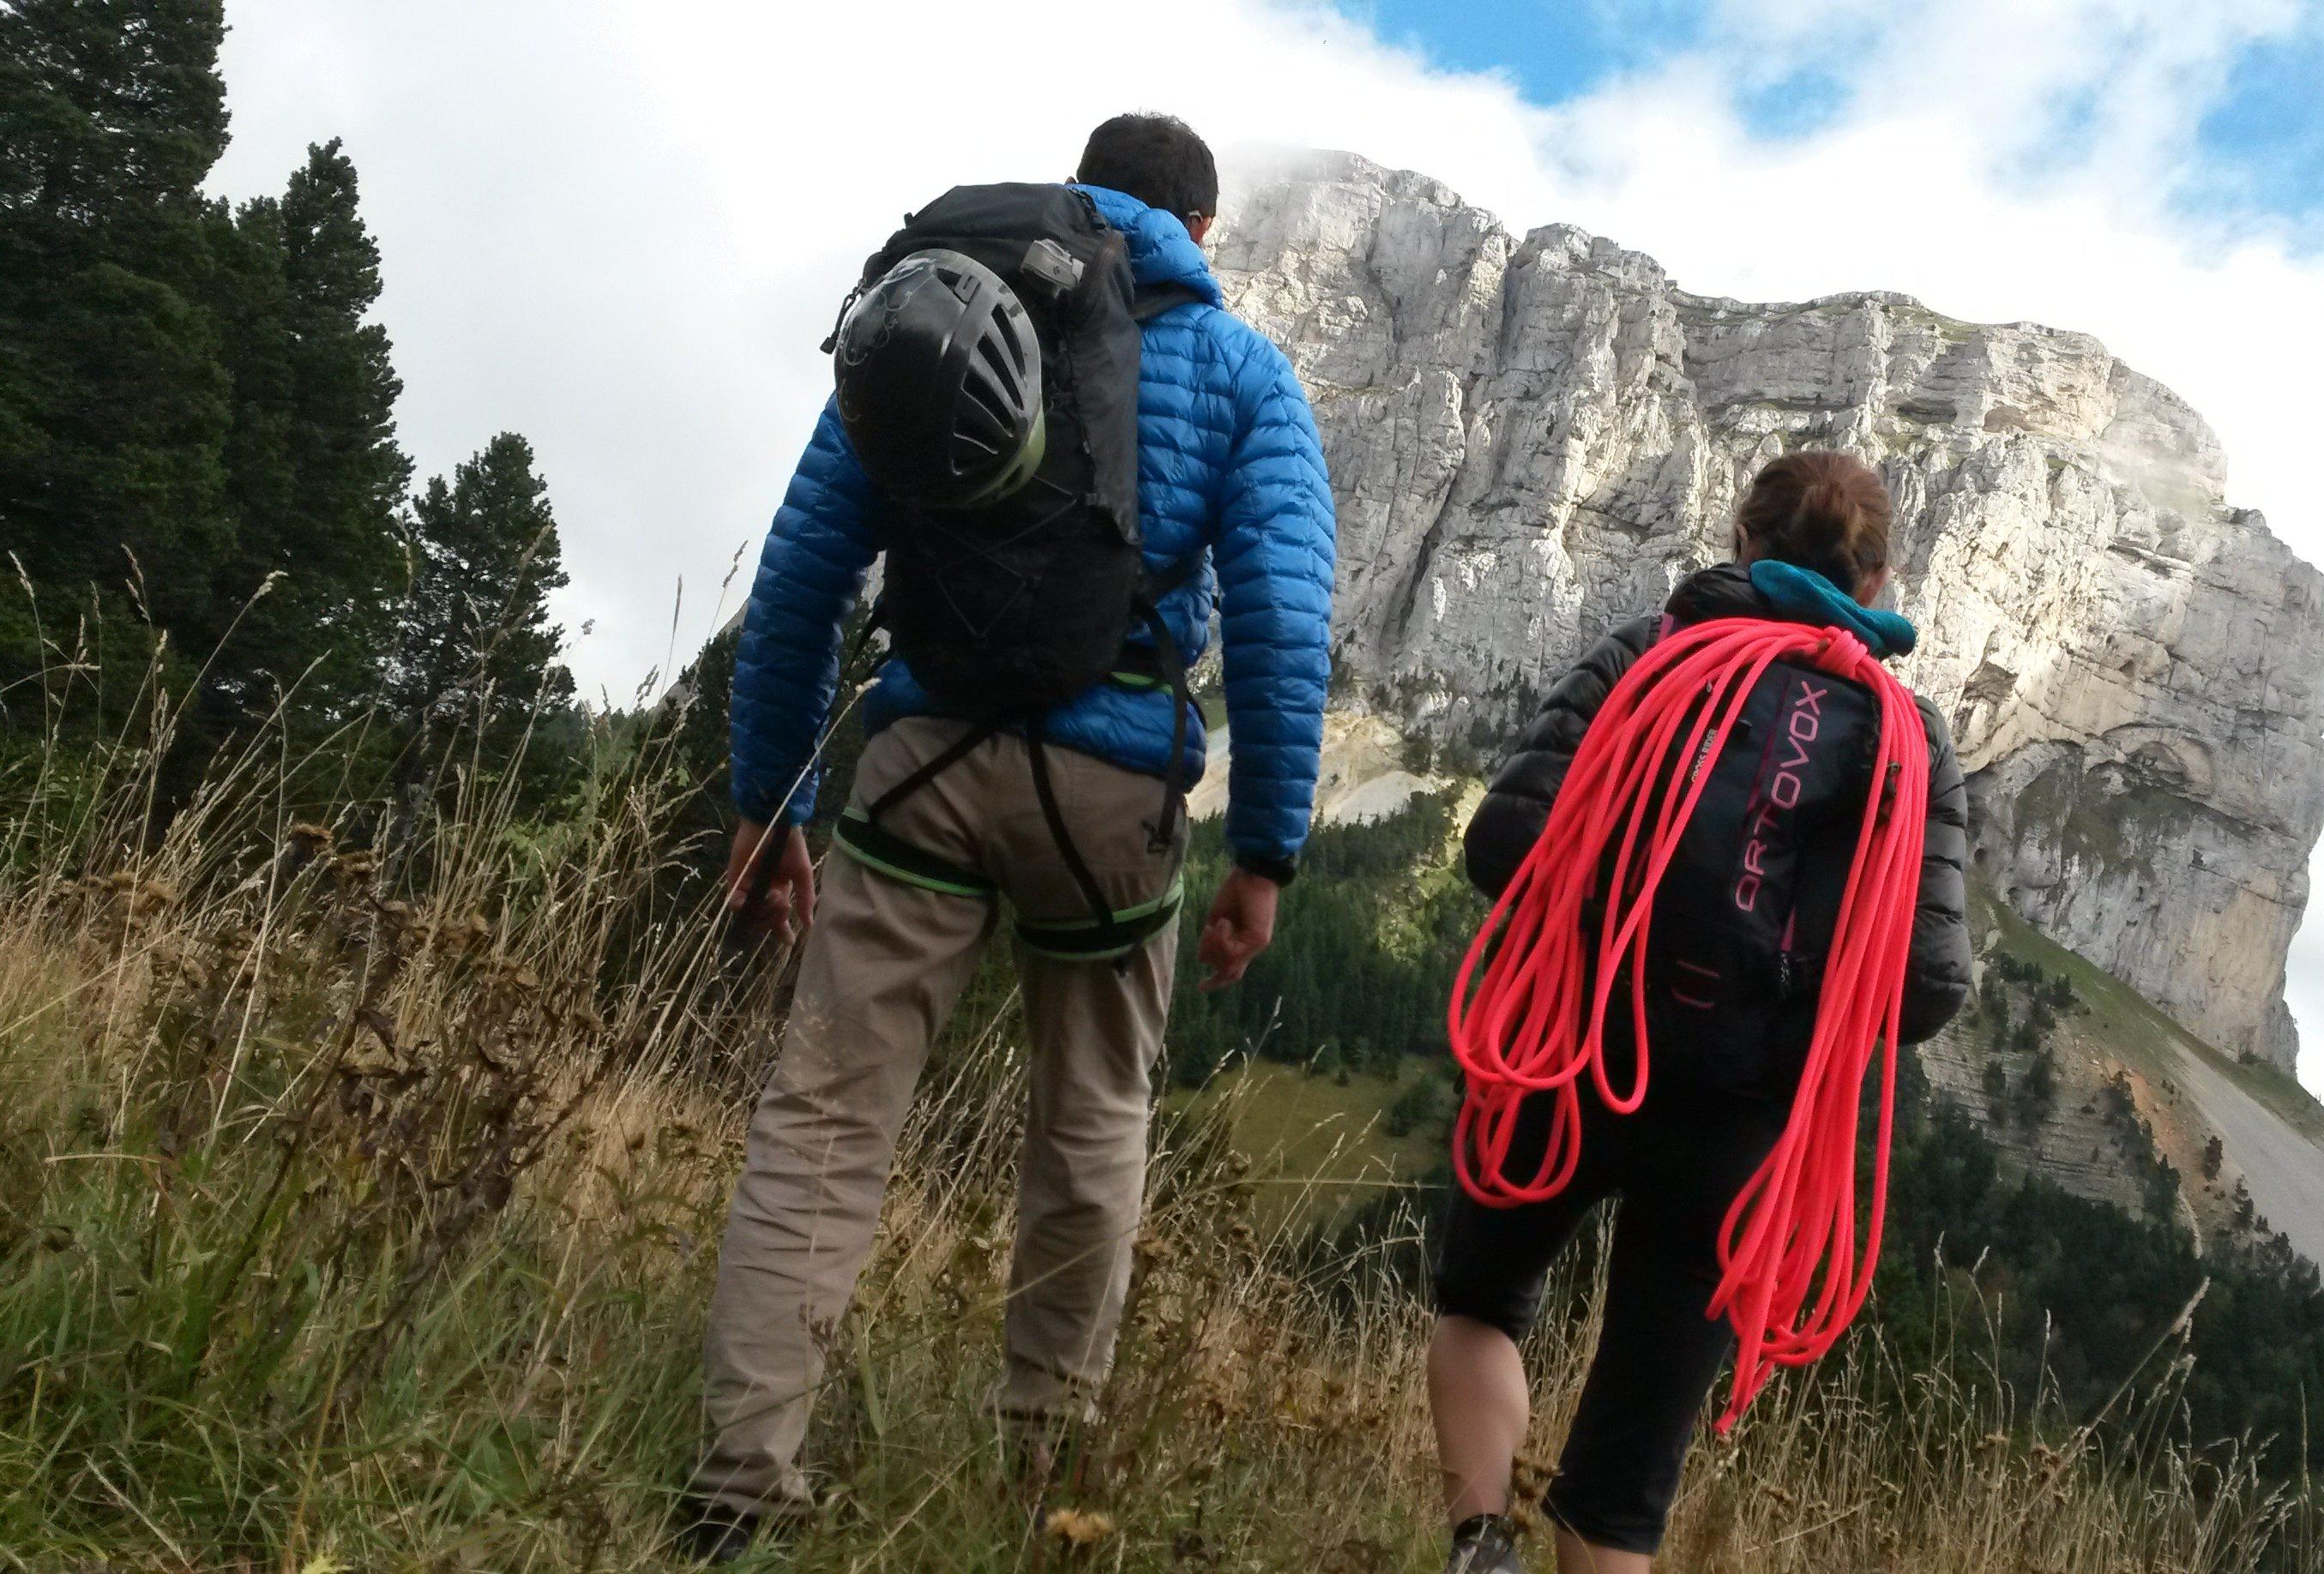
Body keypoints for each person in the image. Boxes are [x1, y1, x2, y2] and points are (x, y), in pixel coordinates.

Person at [679, 113, 1336, 1560]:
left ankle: (738, 1480)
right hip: (1113, 794)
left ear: (1082, 187)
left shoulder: (948, 301)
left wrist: (770, 803)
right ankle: (1042, 1497)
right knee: (1091, 1126)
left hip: (921, 766)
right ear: (1203, 230)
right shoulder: (1242, 372)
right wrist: (1267, 853)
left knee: (827, 1114)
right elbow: (1286, 630)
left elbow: (800, 578)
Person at [1423, 450, 1972, 1574]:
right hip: (1741, 1122)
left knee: (1481, 1301)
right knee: (1629, 1471)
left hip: (1574, 1051)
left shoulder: (1654, 652)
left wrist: (1615, 899)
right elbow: (1927, 989)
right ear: (1877, 582)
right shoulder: (1911, 741)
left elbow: (1504, 841)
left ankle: (1480, 1544)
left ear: (1743, 542)